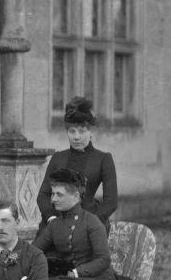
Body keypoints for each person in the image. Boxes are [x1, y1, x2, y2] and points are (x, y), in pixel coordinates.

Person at [37, 95, 117, 233]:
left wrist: (91, 224)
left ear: (91, 132)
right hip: (57, 221)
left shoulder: (103, 159)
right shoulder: (58, 158)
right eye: (72, 131)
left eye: (82, 131)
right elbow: (43, 195)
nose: (76, 137)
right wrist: (50, 217)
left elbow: (111, 202)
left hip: (90, 222)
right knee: (37, 252)